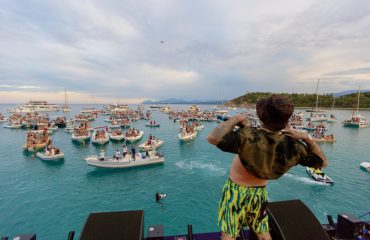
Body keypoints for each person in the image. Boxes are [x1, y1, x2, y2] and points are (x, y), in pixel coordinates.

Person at [207, 94, 328, 240]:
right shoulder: (293, 146)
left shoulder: (248, 136)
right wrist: (305, 137)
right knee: (262, 231)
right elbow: (322, 162)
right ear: (286, 120)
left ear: (262, 115)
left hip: (235, 193)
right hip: (260, 194)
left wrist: (237, 119)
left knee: (230, 233)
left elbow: (213, 138)